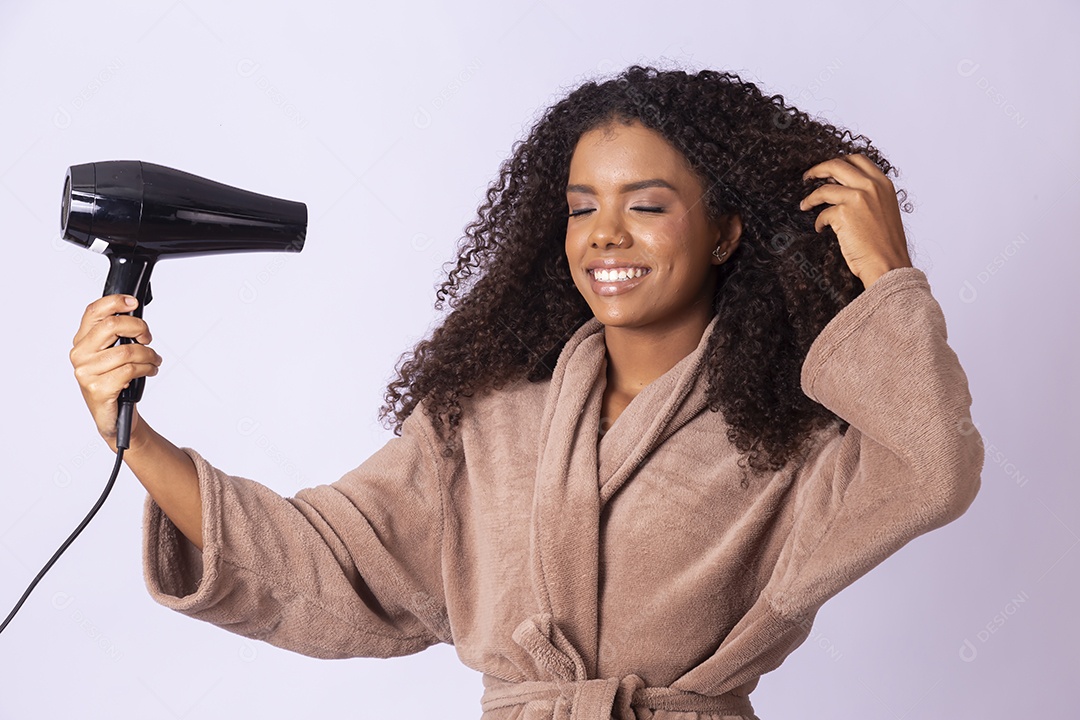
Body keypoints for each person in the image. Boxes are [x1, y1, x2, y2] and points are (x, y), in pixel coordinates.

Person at [69, 66, 983, 719]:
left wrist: (887, 280)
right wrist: (132, 435)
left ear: (725, 232)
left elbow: (933, 469)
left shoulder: (790, 430)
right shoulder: (490, 413)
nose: (605, 236)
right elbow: (324, 561)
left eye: (648, 205)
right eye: (583, 206)